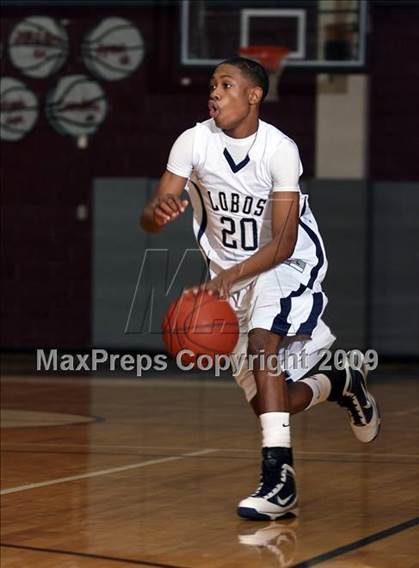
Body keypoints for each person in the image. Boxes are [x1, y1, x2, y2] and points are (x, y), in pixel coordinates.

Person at [140, 57, 381, 521]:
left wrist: (226, 279)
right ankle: (342, 384)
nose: (214, 92)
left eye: (226, 85)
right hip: (229, 276)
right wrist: (159, 211)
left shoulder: (279, 149)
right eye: (211, 84)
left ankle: (279, 481)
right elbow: (149, 218)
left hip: (285, 262)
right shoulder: (193, 142)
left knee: (263, 346)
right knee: (271, 402)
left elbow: (285, 240)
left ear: (254, 95)